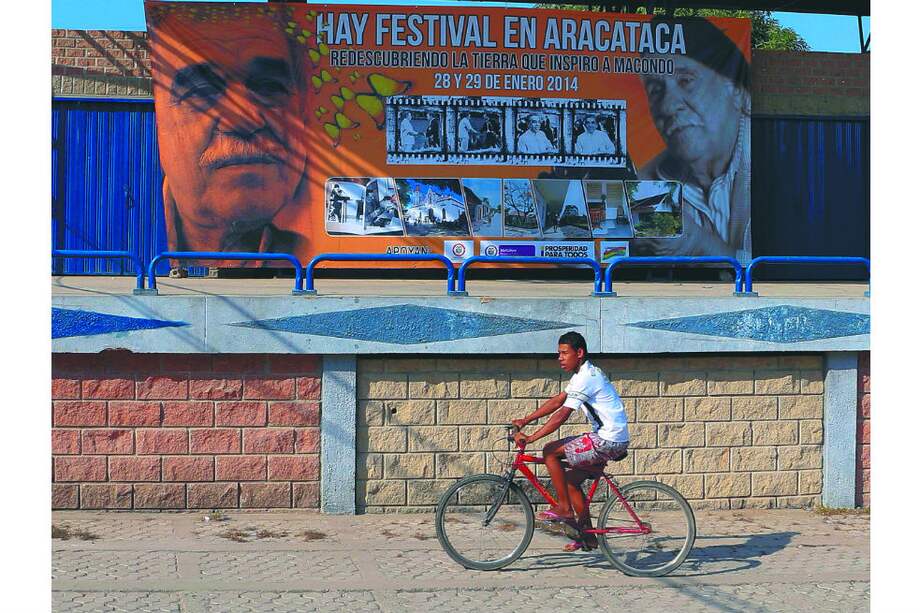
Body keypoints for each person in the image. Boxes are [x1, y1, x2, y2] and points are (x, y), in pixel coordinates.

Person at [147, 6, 309, 261]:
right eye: (201, 90)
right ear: (160, 121)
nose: (244, 120)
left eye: (269, 86)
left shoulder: (312, 253)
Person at [636, 17, 751, 260]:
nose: (667, 106)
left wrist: (701, 247)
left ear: (737, 91)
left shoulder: (769, 166)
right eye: (656, 90)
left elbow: (780, 268)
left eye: (686, 80)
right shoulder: (646, 181)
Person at [512, 331, 629, 552]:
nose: (560, 358)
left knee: (550, 451)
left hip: (607, 440)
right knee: (570, 482)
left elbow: (562, 414)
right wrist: (525, 420)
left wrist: (532, 438)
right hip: (608, 437)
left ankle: (564, 508)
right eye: (559, 353)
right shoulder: (581, 375)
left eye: (564, 353)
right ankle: (588, 537)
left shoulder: (587, 377)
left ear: (580, 353)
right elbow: (558, 401)